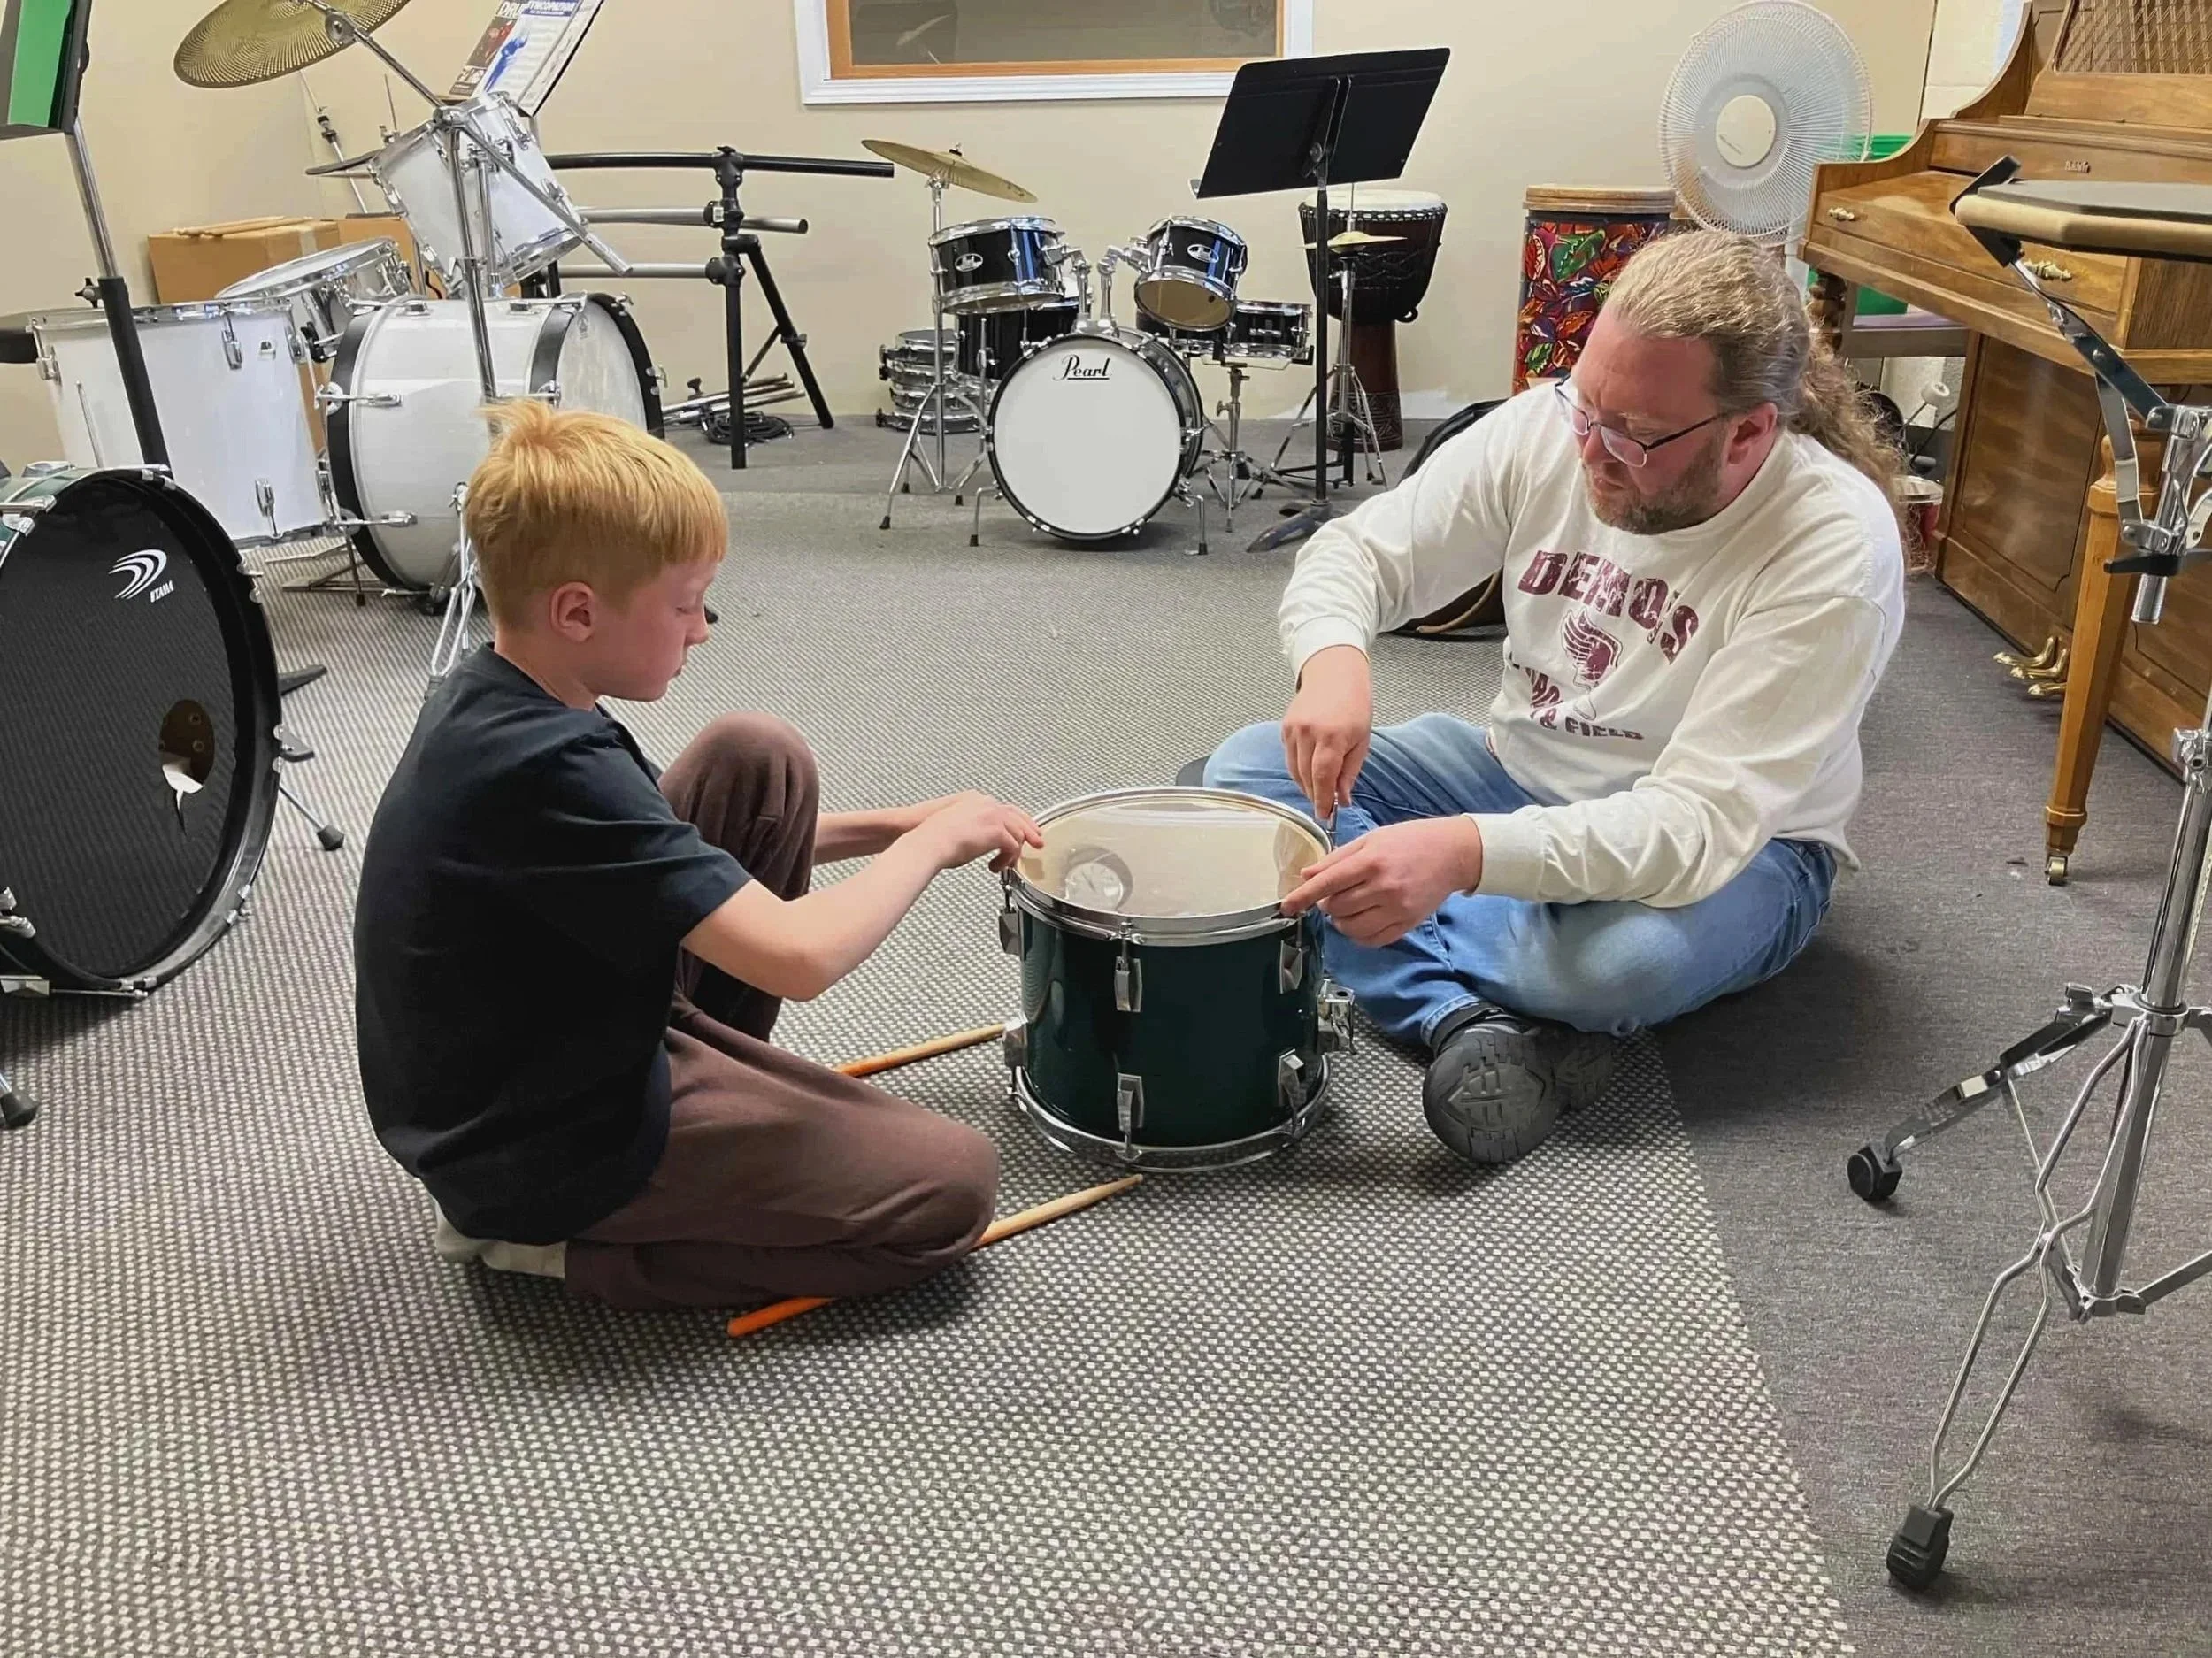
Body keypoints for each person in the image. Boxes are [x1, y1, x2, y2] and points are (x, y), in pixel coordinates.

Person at [1206, 230, 1908, 1165]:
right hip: (1517, 770)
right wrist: (1334, 659)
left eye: (1634, 435)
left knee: (1614, 966)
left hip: (1744, 852)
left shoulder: (1831, 548)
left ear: (1747, 433)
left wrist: (1459, 854)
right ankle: (1464, 1018)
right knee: (1248, 765)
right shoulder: (1558, 426)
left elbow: (1690, 828)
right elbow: (1358, 551)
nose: (1591, 450)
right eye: (1587, 405)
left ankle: (1386, 928)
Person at [354, 401, 1042, 1311]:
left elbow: (655, 853)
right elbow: (801, 958)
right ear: (576, 611)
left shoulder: (511, 692)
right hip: (538, 1142)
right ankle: (553, 1247)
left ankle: (716, 1086)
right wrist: (929, 844)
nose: (703, 628)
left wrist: (899, 822)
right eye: (684, 604)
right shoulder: (547, 767)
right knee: (952, 1187)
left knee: (758, 759)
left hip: (560, 1036)